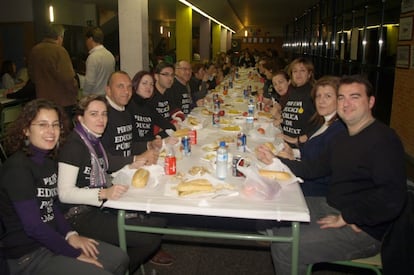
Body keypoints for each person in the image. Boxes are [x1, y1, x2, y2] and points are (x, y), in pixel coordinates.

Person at [256, 75, 407, 274]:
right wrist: (275, 159)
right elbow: (313, 169)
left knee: (285, 246)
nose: (346, 103)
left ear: (370, 101)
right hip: (332, 205)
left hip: (365, 229)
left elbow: (393, 197)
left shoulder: (383, 139)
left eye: (354, 97)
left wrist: (350, 216)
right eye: (342, 97)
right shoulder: (344, 136)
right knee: (275, 210)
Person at [0, 99, 128, 275]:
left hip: (53, 240)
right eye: (43, 125)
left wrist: (70, 235)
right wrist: (73, 253)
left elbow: (52, 206)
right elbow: (34, 227)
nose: (51, 131)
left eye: (55, 125)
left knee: (119, 258)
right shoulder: (17, 169)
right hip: (27, 255)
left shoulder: (47, 161)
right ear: (26, 130)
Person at [58, 95, 171, 273]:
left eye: (104, 114)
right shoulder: (74, 146)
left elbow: (105, 170)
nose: (101, 119)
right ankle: (116, 269)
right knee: (149, 239)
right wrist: (103, 194)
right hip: (78, 216)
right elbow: (64, 193)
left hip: (99, 206)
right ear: (80, 118)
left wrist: (133, 164)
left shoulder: (94, 140)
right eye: (94, 114)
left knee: (159, 220)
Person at [264, 76, 346, 196]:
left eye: (328, 96)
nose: (321, 101)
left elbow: (314, 170)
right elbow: (315, 155)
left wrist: (276, 160)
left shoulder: (339, 131)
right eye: (318, 96)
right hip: (303, 182)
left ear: (340, 100)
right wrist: (294, 153)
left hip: (316, 194)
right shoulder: (323, 122)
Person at [100, 71, 161, 173]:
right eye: (120, 86)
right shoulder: (102, 114)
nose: (126, 91)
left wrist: (148, 145)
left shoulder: (125, 111)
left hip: (127, 169)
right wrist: (136, 159)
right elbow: (102, 159)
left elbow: (127, 145)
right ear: (108, 90)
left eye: (129, 87)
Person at [28, 24, 78, 120]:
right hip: (62, 102)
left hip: (42, 100)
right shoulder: (60, 51)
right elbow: (67, 78)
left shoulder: (35, 50)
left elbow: (32, 76)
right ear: (59, 37)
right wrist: (75, 91)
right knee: (64, 130)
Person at [127, 70, 176, 141]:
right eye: (144, 83)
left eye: (151, 84)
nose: (148, 87)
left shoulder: (149, 106)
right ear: (135, 84)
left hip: (150, 147)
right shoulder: (128, 106)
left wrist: (157, 138)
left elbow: (170, 127)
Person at [279, 57, 318, 146]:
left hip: (301, 146)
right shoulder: (292, 91)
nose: (298, 74)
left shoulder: (313, 93)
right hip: (285, 141)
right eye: (295, 71)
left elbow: (323, 123)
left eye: (302, 70)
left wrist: (298, 140)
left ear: (309, 74)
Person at [83, 27, 115, 95]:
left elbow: (89, 82)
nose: (86, 43)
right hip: (108, 96)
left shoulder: (93, 57)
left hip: (95, 97)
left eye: (86, 40)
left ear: (90, 39)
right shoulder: (110, 55)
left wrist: (84, 95)